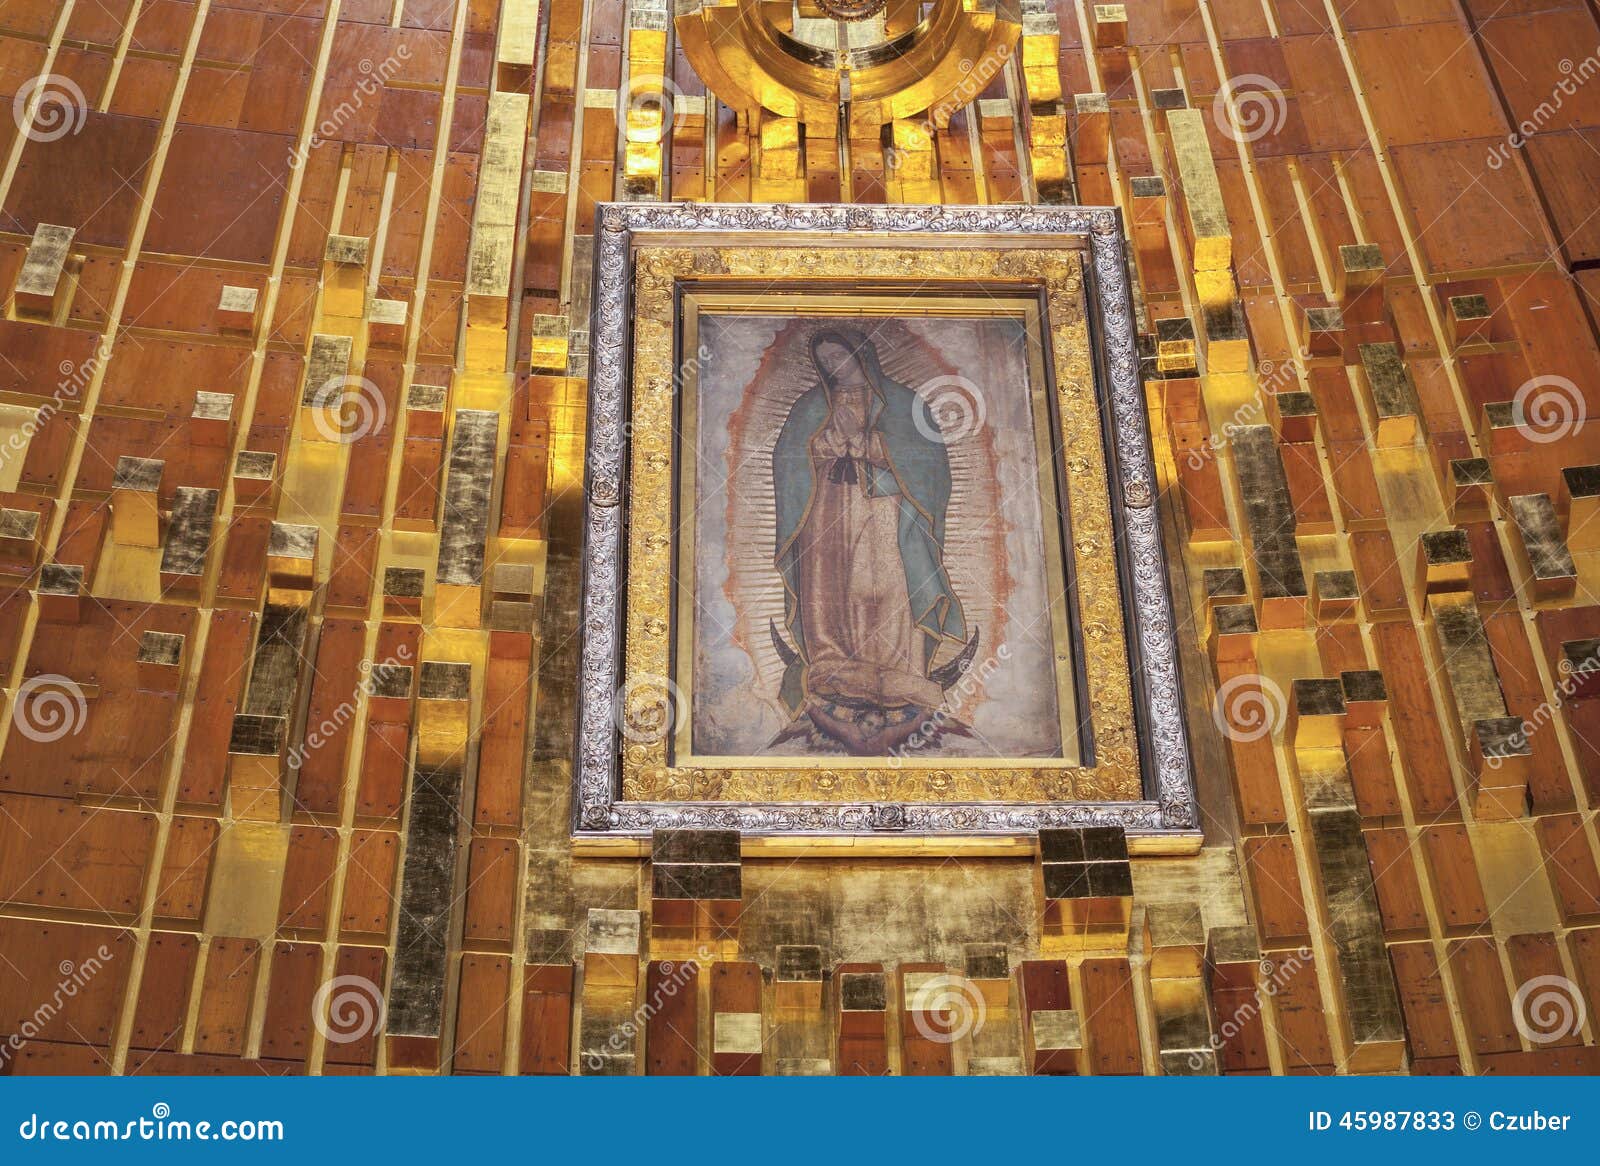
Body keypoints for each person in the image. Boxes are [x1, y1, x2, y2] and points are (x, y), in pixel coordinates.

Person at [767, 328, 973, 755]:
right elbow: (788, 458)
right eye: (826, 362)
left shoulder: (902, 404)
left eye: (841, 358)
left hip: (884, 508)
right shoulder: (810, 406)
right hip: (825, 507)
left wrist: (873, 446)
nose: (835, 368)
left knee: (884, 584)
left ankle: (900, 668)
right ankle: (832, 662)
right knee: (831, 588)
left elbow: (929, 463)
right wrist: (822, 446)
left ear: (861, 355)